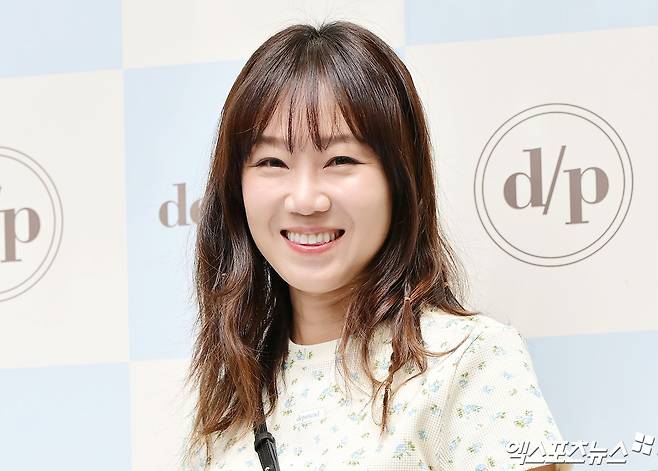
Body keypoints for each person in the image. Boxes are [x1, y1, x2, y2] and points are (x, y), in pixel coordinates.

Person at [181, 20, 571, 471]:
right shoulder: (234, 400)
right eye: (272, 162)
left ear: (398, 179)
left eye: (339, 160)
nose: (305, 199)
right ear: (236, 188)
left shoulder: (467, 359)